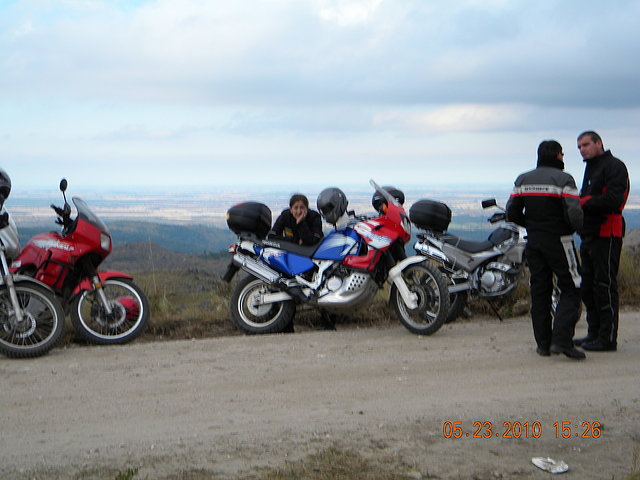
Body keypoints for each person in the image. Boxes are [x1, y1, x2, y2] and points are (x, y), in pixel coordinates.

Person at [506, 140, 585, 359]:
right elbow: (575, 214)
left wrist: (532, 225)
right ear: (557, 156)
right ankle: (562, 341)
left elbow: (511, 213)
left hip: (534, 242)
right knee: (572, 288)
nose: (563, 157)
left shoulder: (523, 179)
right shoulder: (564, 179)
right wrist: (575, 229)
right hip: (561, 241)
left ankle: (543, 344)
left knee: (540, 292)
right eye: (562, 154)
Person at [573, 131, 630, 352]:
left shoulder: (615, 166)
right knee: (588, 287)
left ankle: (607, 339)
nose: (582, 150)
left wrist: (583, 201)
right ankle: (594, 333)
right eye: (579, 147)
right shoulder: (592, 167)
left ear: (599, 143)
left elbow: (615, 199)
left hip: (608, 234)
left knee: (604, 286)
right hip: (590, 235)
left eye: (585, 145)